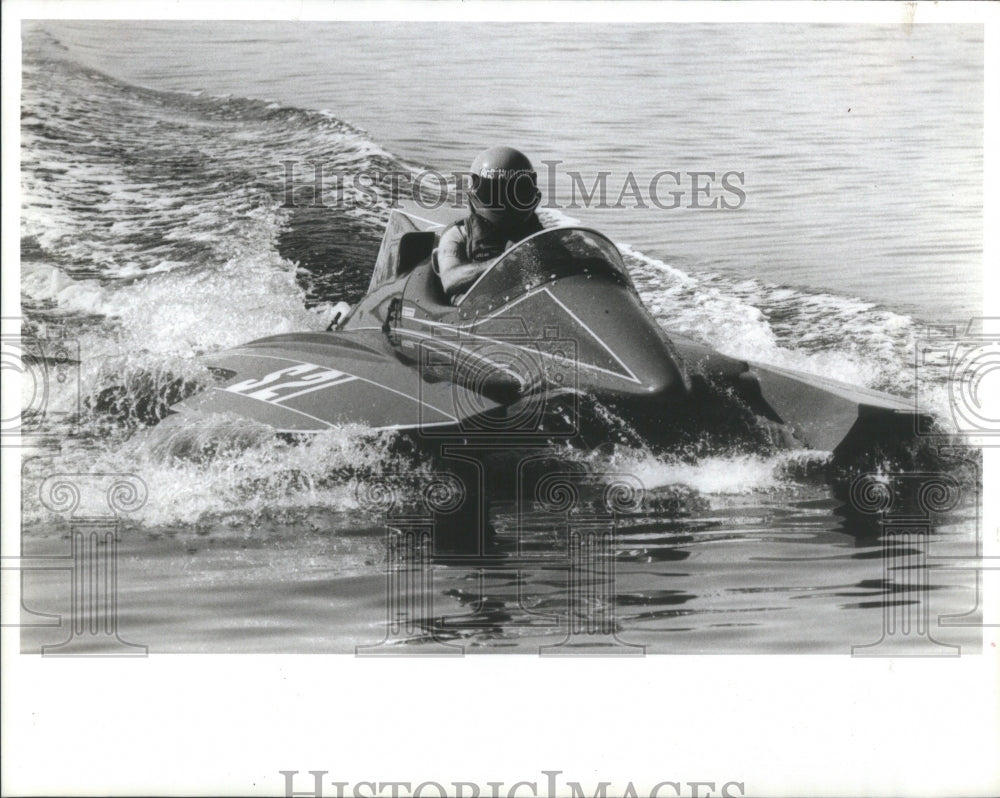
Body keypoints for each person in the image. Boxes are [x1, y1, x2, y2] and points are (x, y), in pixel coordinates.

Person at [436, 146, 544, 302]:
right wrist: (504, 263)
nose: (506, 202)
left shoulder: (541, 235)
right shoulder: (459, 234)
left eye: (517, 192)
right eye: (496, 193)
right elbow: (450, 281)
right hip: (479, 314)